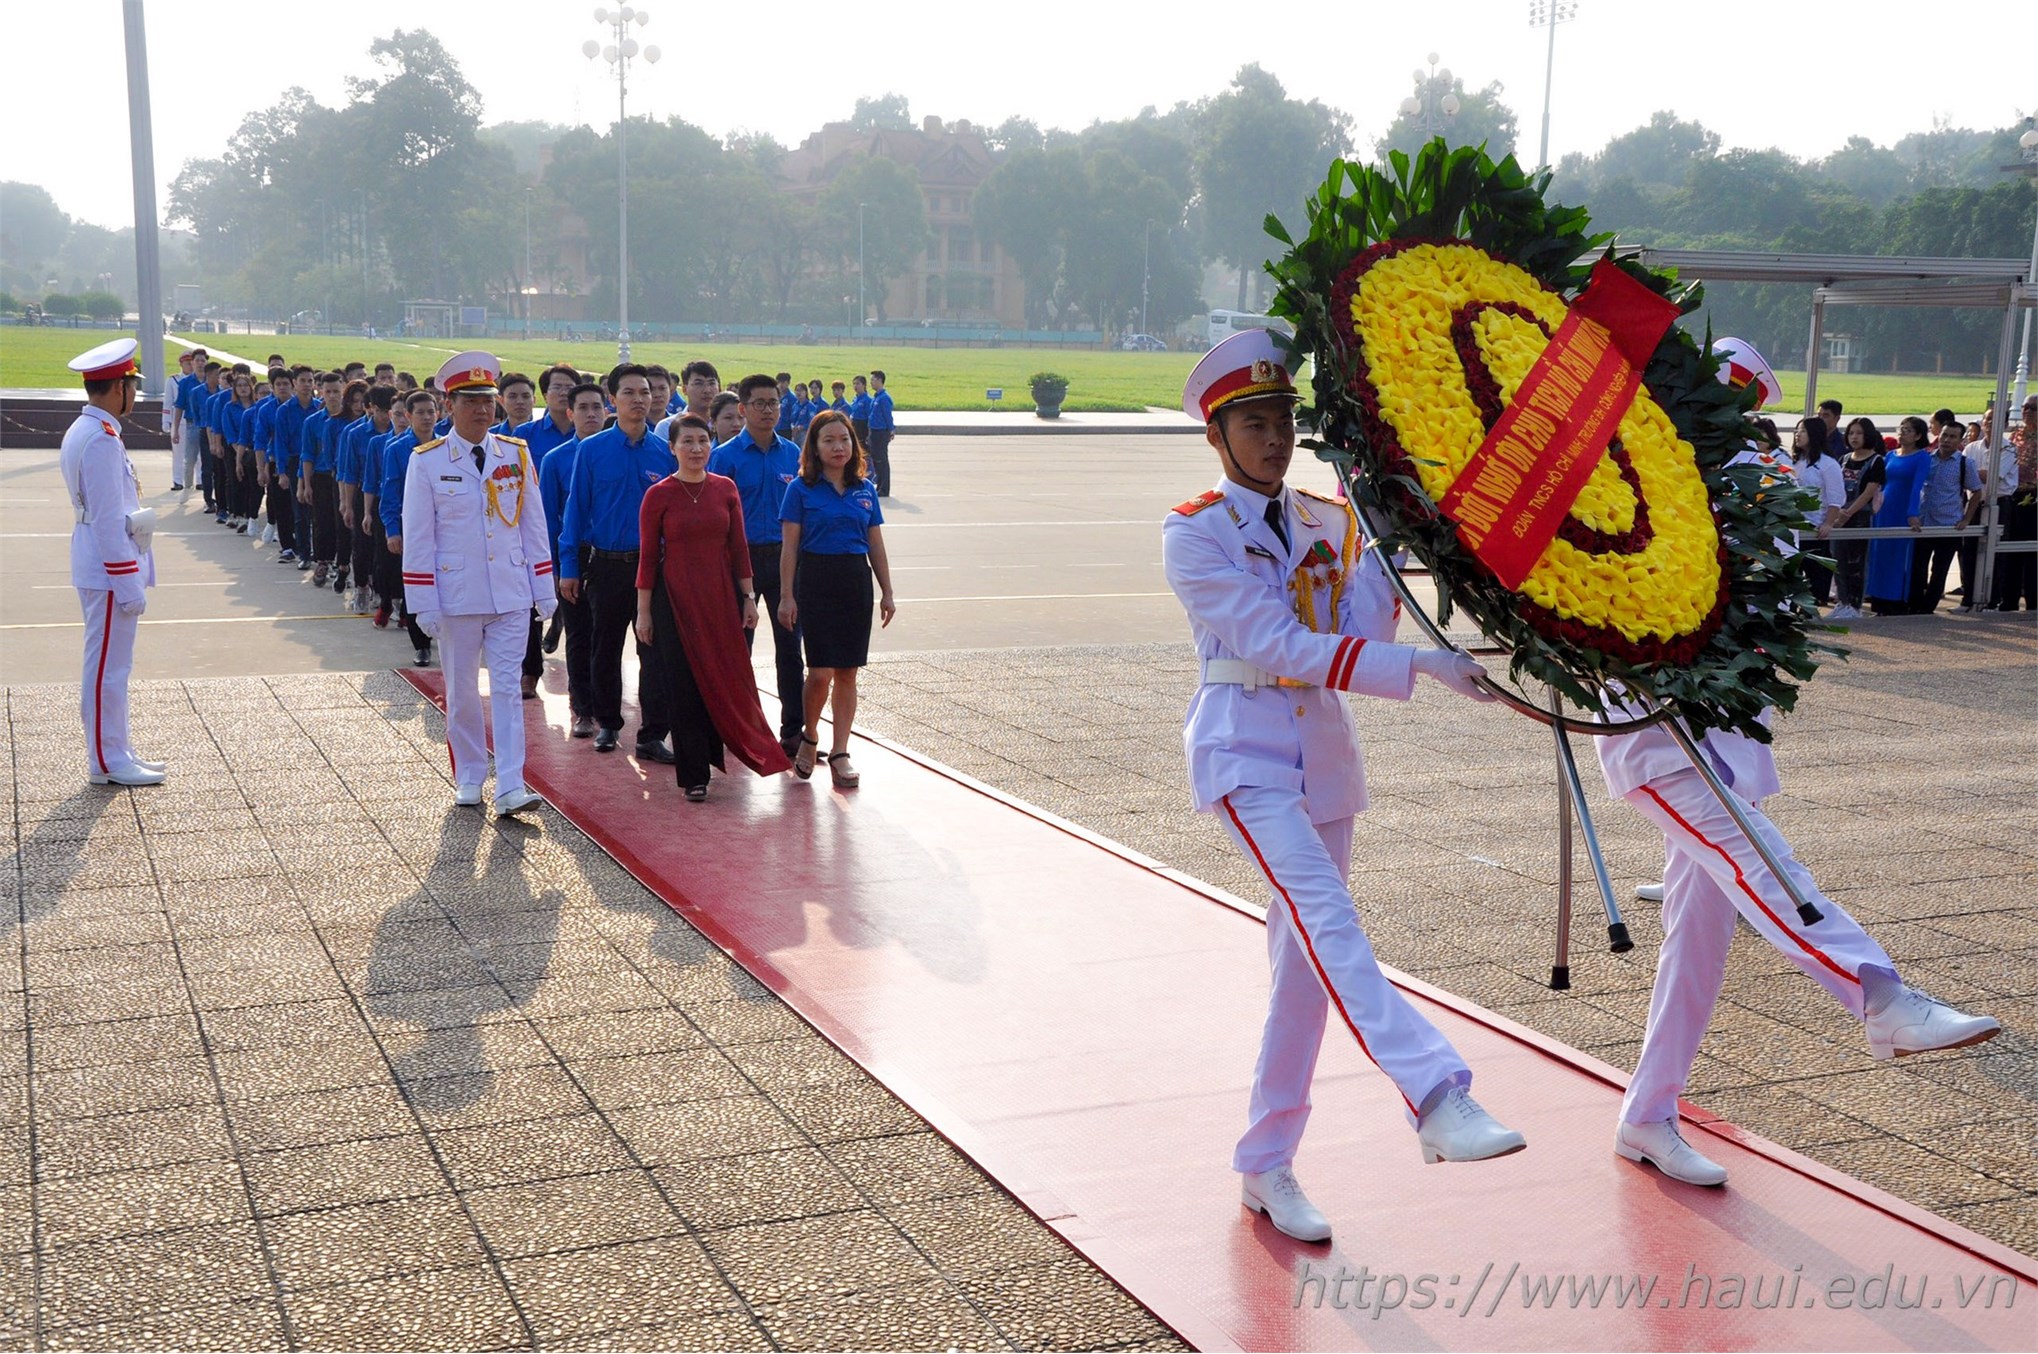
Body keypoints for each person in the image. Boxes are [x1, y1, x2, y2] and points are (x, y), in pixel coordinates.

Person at [1163, 329, 1526, 1245]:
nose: (1274, 438)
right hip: (1243, 753)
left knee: (1303, 974)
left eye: (1285, 419)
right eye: (1254, 423)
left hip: (1324, 759)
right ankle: (1435, 1093)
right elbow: (1277, 646)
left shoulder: (1331, 519)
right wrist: (1421, 669)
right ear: (1217, 435)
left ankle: (1265, 1165)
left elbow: (1357, 623)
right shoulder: (1195, 531)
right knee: (1330, 923)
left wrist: (1388, 538)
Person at [1595, 654, 2000, 1187]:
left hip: (1729, 732)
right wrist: (1450, 664)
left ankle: (1646, 1114)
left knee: (1697, 943)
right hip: (1655, 743)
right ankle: (1879, 995)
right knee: (1766, 865)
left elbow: (1774, 595)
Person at [400, 351, 555, 816]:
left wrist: (543, 588)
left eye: (489, 400)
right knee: (463, 690)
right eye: (471, 401)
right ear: (450, 406)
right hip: (457, 594)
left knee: (508, 688)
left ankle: (510, 783)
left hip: (509, 590)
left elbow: (534, 525)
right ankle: (469, 774)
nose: (483, 410)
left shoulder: (515, 453)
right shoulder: (427, 461)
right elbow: (419, 535)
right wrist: (422, 602)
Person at [635, 414, 793, 800]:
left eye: (702, 441)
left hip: (720, 597)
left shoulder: (725, 489)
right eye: (686, 442)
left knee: (722, 678)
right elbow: (646, 557)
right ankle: (694, 776)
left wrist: (747, 598)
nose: (696, 449)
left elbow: (739, 548)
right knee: (684, 684)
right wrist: (643, 612)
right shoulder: (658, 494)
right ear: (671, 448)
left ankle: (718, 751)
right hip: (673, 601)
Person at [556, 364, 677, 758]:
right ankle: (607, 722)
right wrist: (570, 567)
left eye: (645, 392)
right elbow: (576, 511)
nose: (640, 399)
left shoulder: (665, 451)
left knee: (655, 652)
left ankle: (653, 734)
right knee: (604, 647)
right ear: (613, 398)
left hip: (653, 568)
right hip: (606, 564)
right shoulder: (591, 451)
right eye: (629, 393)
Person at [60, 338, 165, 788]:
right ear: (118, 387)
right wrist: (129, 585)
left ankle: (115, 748)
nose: (136, 395)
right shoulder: (100, 441)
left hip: (100, 564)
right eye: (132, 385)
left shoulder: (90, 431)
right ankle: (106, 758)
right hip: (107, 570)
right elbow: (107, 521)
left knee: (111, 666)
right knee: (107, 667)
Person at [777, 411, 896, 786]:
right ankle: (810, 735)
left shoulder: (865, 489)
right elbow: (790, 548)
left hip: (854, 581)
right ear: (814, 446)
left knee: (847, 672)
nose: (838, 447)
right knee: (821, 671)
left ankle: (841, 750)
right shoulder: (800, 489)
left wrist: (887, 591)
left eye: (844, 439)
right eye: (828, 440)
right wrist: (785, 597)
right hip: (816, 580)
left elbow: (875, 542)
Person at [708, 375, 806, 757]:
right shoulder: (724, 457)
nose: (768, 410)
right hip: (738, 562)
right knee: (737, 649)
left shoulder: (794, 455)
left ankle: (793, 729)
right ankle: (738, 725)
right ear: (743, 409)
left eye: (774, 403)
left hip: (784, 561)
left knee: (790, 650)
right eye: (760, 403)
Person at [541, 381, 611, 737]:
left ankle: (607, 707)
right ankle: (582, 707)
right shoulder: (556, 460)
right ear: (570, 414)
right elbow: (547, 520)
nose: (590, 415)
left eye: (596, 408)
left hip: (613, 555)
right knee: (580, 634)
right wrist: (558, 568)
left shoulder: (616, 452)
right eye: (582, 408)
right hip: (576, 554)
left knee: (608, 636)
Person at [1908, 416, 1979, 614]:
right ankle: (1914, 605)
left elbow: (1976, 492)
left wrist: (1966, 518)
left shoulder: (1965, 463)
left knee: (1939, 570)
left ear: (1960, 441)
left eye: (1952, 437)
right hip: (1923, 523)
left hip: (1948, 525)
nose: (1946, 440)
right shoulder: (1926, 459)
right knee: (1917, 567)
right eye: (1944, 435)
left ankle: (1927, 608)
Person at [1864, 417, 1932, 614]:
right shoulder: (1891, 455)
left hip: (1902, 511)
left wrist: (1912, 513)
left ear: (1918, 435)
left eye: (1908, 430)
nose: (1902, 433)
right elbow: (1881, 482)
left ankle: (1895, 600)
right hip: (1884, 510)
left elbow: (1917, 487)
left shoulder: (1922, 457)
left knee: (1898, 556)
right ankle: (1877, 598)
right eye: (1901, 429)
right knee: (1880, 554)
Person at [1824, 417, 1885, 621]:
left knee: (1856, 562)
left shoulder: (1876, 461)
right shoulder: (1844, 459)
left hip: (1859, 516)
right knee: (1838, 561)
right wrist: (1838, 512)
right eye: (1851, 433)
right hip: (1839, 515)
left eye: (1859, 433)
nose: (1854, 437)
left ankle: (1855, 604)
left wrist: (1848, 512)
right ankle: (1843, 602)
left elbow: (1869, 492)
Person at [1957, 415, 2019, 613]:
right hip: (1974, 502)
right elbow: (1963, 474)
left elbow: (1992, 475)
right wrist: (1976, 473)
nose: (1990, 423)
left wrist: (1973, 471)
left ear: (2005, 424)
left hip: (1999, 503)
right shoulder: (1971, 447)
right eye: (1987, 419)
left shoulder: (2009, 448)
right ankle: (1968, 600)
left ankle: (1991, 601)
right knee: (1969, 551)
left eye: (1995, 419)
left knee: (1995, 552)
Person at [1788, 416, 1846, 606]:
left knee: (1815, 579)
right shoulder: (1796, 462)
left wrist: (1828, 523)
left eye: (1803, 431)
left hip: (1815, 529)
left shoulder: (1828, 464)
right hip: (1795, 527)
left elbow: (1835, 498)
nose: (1798, 435)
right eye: (1797, 431)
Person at [866, 368, 896, 497]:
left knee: (882, 460)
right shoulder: (876, 397)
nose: (871, 382)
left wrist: (891, 430)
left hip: (881, 432)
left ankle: (884, 489)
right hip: (874, 431)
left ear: (880, 380)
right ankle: (879, 486)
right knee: (876, 460)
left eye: (873, 380)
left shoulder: (884, 398)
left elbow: (887, 416)